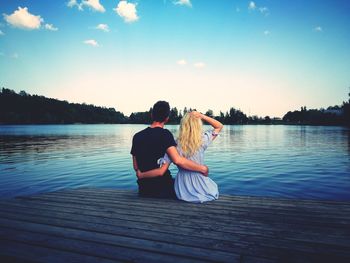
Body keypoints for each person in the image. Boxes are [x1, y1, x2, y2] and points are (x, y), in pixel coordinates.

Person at [138, 111, 223, 203]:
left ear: (182, 125)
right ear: (198, 125)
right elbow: (219, 126)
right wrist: (202, 116)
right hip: (199, 183)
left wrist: (141, 175)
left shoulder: (174, 144)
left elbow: (161, 170)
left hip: (182, 187)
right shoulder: (203, 140)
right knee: (212, 189)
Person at [131, 101, 208, 198]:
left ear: (152, 115)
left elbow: (135, 166)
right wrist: (202, 168)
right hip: (163, 189)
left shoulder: (137, 136)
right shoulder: (165, 135)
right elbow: (177, 160)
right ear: (167, 118)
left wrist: (142, 175)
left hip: (143, 189)